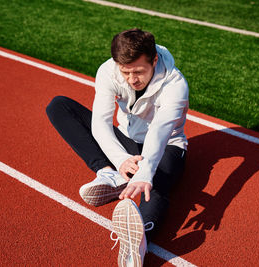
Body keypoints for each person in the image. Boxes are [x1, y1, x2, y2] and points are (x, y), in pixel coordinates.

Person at [46, 28, 189, 266]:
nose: (132, 79)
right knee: (59, 106)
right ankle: (108, 173)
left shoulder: (176, 84)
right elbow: (100, 123)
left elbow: (160, 131)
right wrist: (120, 158)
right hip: (127, 143)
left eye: (139, 72)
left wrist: (144, 174)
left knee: (153, 185)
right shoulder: (107, 71)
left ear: (154, 60)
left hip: (167, 147)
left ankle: (138, 242)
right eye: (126, 72)